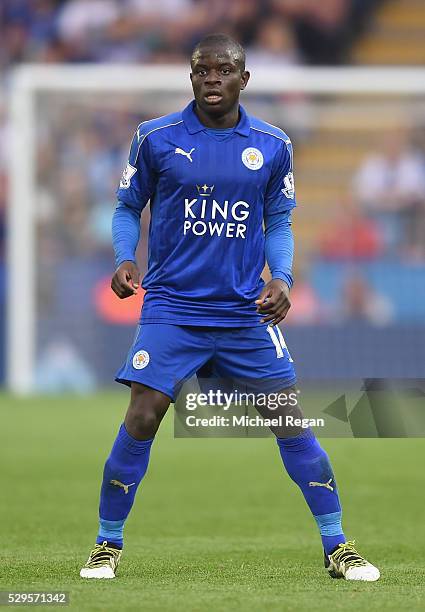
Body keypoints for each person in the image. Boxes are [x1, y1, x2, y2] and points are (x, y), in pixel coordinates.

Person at [80, 33, 380, 582]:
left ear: (245, 79)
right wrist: (125, 257)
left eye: (224, 71)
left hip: (245, 313)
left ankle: (338, 546)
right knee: (143, 415)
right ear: (190, 77)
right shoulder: (156, 138)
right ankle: (107, 543)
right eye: (201, 71)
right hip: (172, 308)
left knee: (291, 421)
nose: (211, 80)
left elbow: (279, 220)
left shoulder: (271, 143)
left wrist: (283, 277)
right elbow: (127, 206)